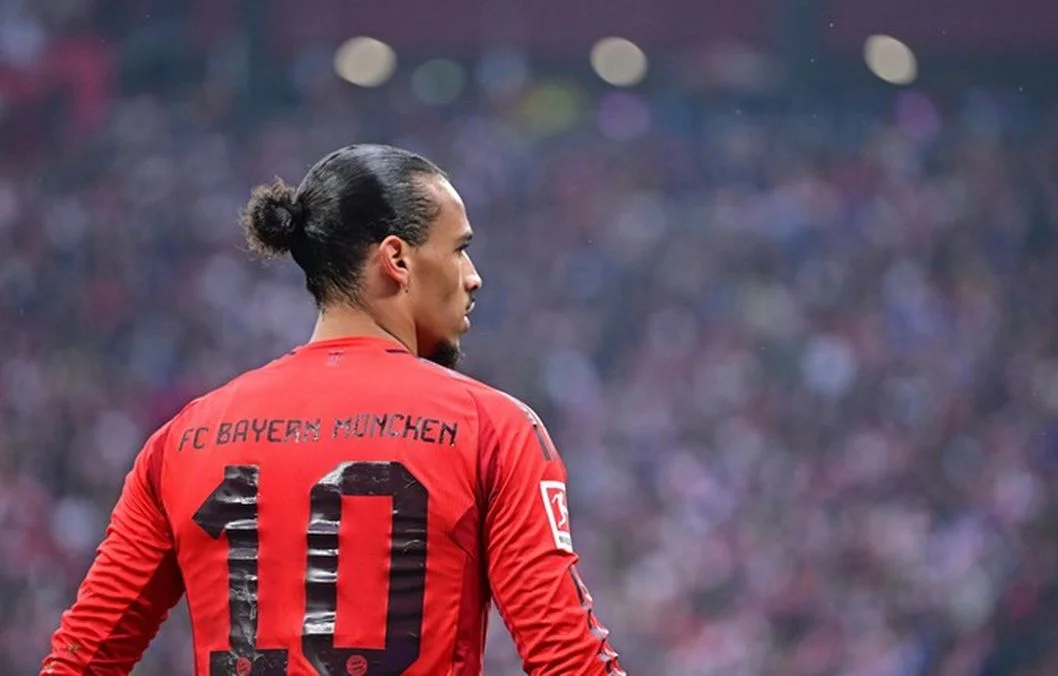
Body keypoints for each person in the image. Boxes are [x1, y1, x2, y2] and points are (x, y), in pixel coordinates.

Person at [42, 144, 624, 675]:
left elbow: (80, 660)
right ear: (397, 259)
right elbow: (570, 662)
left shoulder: (181, 440)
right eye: (460, 250)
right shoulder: (493, 428)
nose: (473, 278)